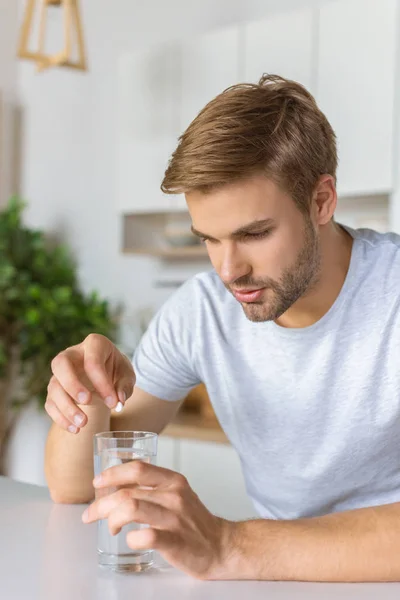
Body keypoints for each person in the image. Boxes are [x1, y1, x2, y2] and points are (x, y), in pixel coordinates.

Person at [44, 74, 400, 582]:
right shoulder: (201, 311)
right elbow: (74, 487)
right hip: (280, 586)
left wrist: (231, 545)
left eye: (253, 233)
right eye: (208, 239)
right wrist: (86, 392)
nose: (228, 270)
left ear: (322, 201)